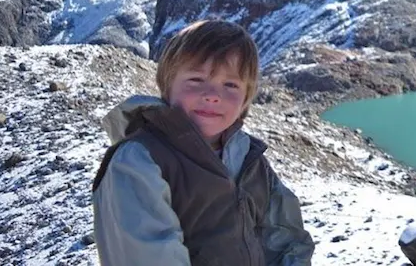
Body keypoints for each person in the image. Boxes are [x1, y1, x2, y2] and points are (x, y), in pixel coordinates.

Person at [92, 19, 315, 265]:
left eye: (230, 85)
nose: (212, 96)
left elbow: (287, 242)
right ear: (168, 86)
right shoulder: (139, 161)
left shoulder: (251, 162)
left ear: (245, 100)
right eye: (196, 80)